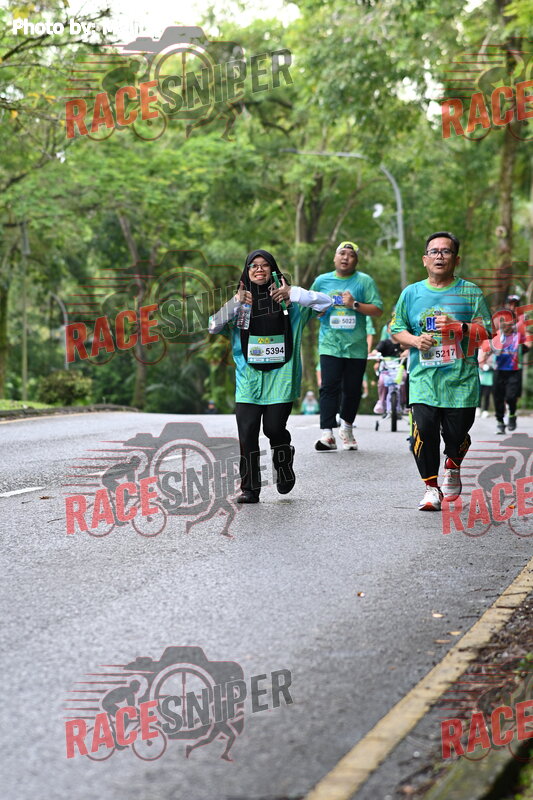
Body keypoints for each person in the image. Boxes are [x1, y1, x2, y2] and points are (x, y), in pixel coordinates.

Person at [208, 249, 332, 503]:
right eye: (253, 265)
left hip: (281, 379)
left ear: (273, 271)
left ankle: (283, 464)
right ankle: (249, 488)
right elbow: (213, 326)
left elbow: (327, 302)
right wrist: (234, 302)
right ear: (247, 272)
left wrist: (293, 292)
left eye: (265, 265)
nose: (259, 269)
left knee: (274, 429)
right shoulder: (240, 307)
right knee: (247, 433)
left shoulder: (291, 306)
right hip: (248, 381)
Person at [390, 231, 493, 511]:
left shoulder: (470, 292)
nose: (439, 256)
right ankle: (431, 488)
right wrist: (414, 341)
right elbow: (396, 328)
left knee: (456, 436)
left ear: (456, 260)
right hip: (423, 379)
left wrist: (458, 327)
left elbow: (487, 331)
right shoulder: (411, 293)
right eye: (434, 251)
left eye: (446, 251)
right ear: (425, 259)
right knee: (423, 431)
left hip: (461, 380)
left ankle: (453, 463)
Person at [310, 241, 383, 451]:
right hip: (330, 344)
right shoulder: (322, 281)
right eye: (342, 253)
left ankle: (347, 428)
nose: (345, 258)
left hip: (356, 347)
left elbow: (378, 310)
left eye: (350, 255)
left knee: (352, 390)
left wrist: (354, 304)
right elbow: (308, 305)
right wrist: (318, 311)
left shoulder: (364, 281)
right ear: (334, 258)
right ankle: (327, 434)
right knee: (328, 387)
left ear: (356, 261)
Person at [493, 295, 528, 434]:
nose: (513, 306)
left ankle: (512, 414)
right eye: (511, 304)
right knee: (498, 397)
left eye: (516, 304)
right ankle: (500, 421)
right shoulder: (499, 323)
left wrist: (522, 348)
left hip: (514, 368)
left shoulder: (522, 321)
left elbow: (528, 341)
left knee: (511, 396)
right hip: (499, 368)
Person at [476, 346, 494, 418]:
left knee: (487, 395)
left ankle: (485, 410)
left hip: (488, 379)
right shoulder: (478, 352)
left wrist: (489, 367)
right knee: (478, 394)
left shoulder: (492, 355)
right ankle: (478, 408)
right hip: (479, 377)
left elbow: (495, 364)